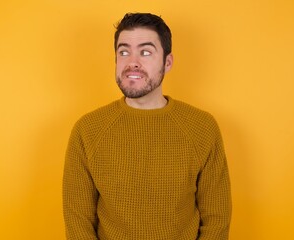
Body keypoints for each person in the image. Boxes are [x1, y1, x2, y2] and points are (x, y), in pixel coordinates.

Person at [63, 12, 231, 240]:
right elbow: (78, 223)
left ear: (167, 62)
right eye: (123, 52)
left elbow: (217, 218)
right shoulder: (87, 130)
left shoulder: (202, 127)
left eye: (145, 52)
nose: (132, 62)